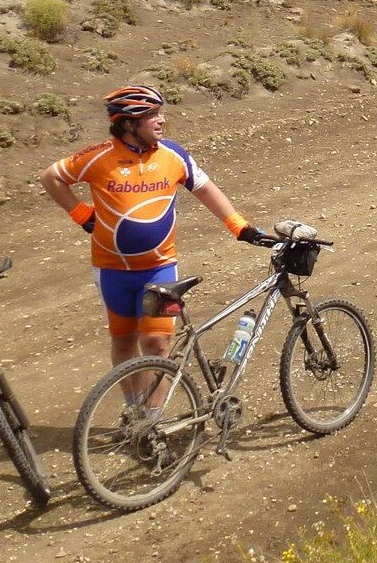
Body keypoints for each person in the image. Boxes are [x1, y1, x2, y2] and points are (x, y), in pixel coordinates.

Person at [40, 86, 273, 416]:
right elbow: (52, 177)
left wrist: (238, 225)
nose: (161, 120)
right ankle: (134, 413)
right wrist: (81, 214)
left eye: (160, 113)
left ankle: (154, 419)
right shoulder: (98, 157)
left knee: (157, 343)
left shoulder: (172, 155)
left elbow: (206, 190)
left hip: (160, 267)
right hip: (111, 270)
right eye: (152, 116)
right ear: (128, 124)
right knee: (124, 342)